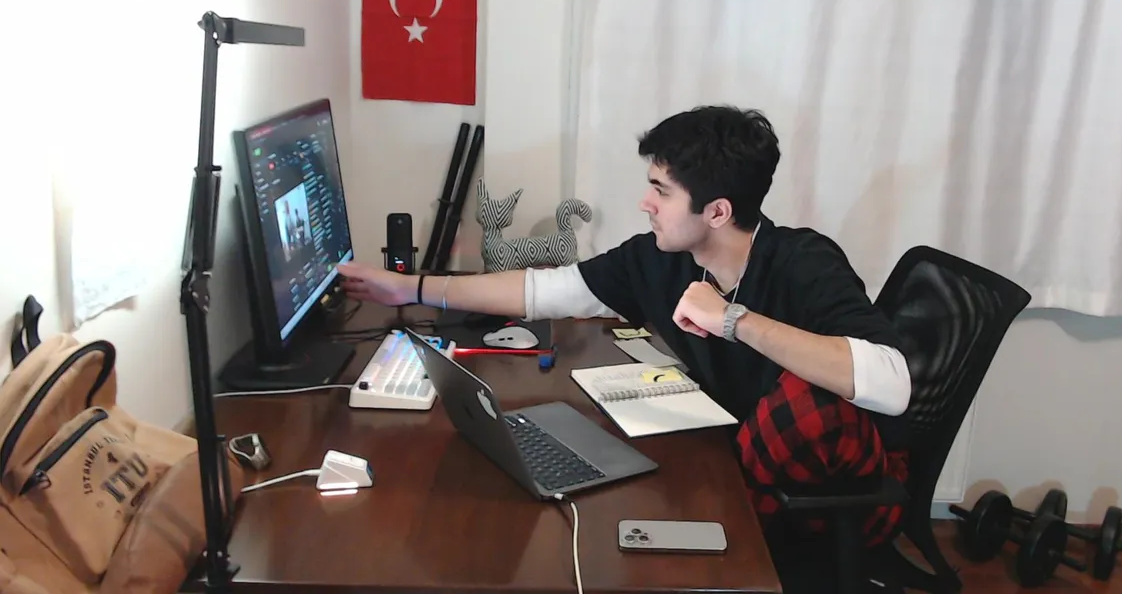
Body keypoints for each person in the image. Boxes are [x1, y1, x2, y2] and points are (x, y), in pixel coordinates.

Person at [338, 105, 912, 590]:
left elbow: (893, 382)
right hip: (732, 464)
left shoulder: (804, 262)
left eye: (661, 191)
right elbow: (544, 290)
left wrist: (734, 320)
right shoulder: (660, 258)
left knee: (793, 409)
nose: (646, 203)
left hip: (833, 488)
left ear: (717, 211)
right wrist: (414, 288)